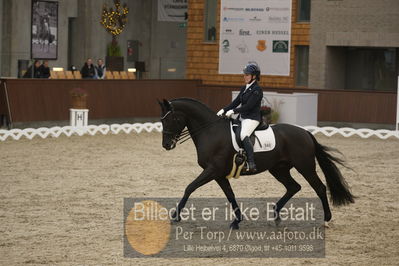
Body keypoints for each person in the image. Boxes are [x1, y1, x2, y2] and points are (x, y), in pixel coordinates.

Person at [217, 63, 263, 172]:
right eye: (244, 74)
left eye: (247, 75)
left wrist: (233, 111)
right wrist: (224, 110)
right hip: (242, 117)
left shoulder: (257, 90)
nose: (244, 76)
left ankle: (251, 163)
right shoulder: (244, 88)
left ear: (254, 76)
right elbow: (236, 102)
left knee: (243, 134)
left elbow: (248, 106)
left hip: (252, 118)